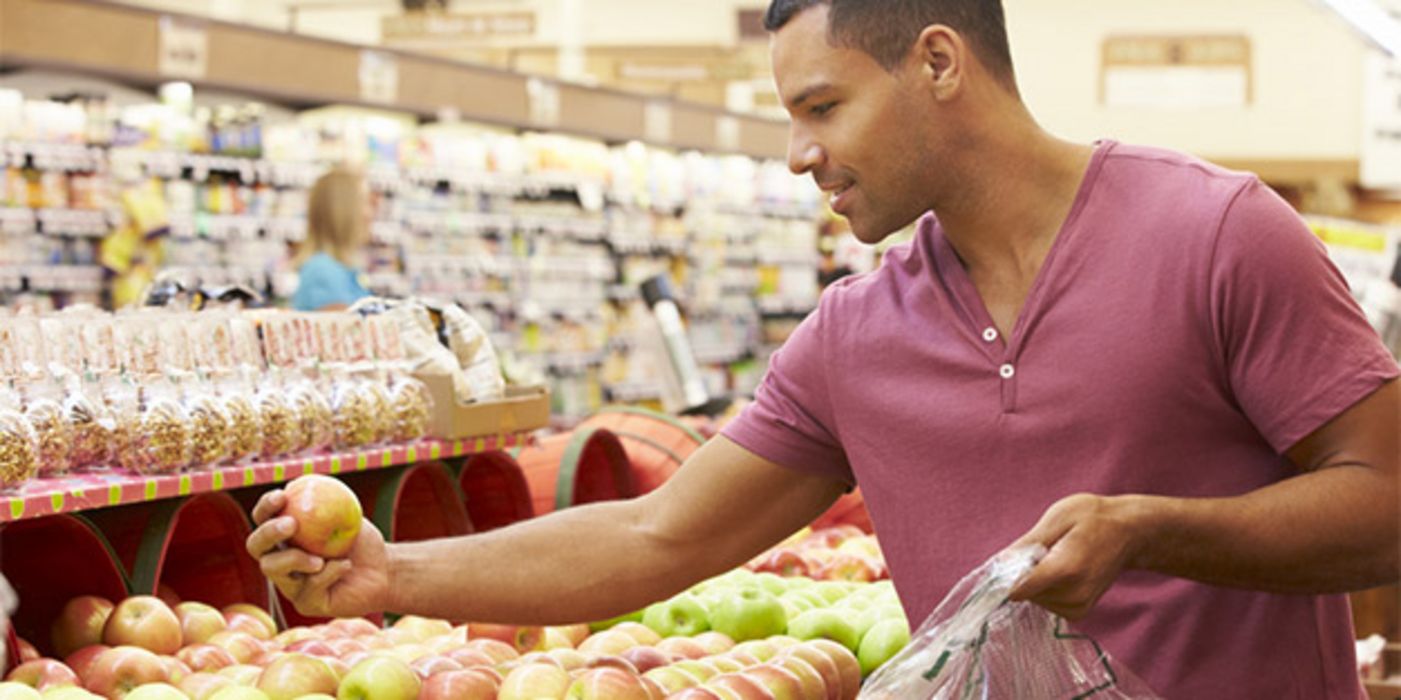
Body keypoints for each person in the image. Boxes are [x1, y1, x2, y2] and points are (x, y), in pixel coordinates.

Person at [247, 1, 1400, 696]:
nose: (798, 153)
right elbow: (657, 534)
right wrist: (395, 577)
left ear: (938, 63)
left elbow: (1385, 504)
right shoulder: (858, 335)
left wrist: (1153, 528)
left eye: (823, 107)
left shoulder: (1216, 235)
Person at [290, 167, 373, 312]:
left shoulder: (339, 267)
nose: (370, 213)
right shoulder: (324, 271)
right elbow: (342, 331)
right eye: (364, 203)